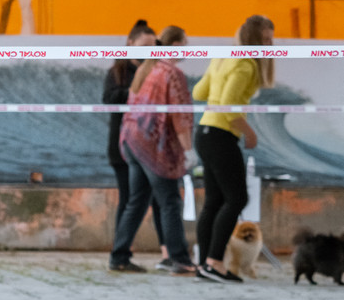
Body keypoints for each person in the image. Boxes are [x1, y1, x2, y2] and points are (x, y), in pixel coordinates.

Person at [193, 15, 275, 283]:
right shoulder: (246, 63)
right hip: (220, 135)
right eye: (266, 40)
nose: (270, 45)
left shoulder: (222, 57)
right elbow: (227, 104)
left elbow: (198, 93)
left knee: (215, 201)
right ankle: (214, 262)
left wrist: (216, 80)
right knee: (237, 198)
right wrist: (249, 131)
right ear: (254, 39)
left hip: (204, 132)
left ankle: (204, 265)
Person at [109, 26, 197, 275]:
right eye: (185, 44)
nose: (187, 50)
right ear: (176, 46)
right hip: (154, 147)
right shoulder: (172, 73)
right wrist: (189, 150)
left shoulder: (146, 69)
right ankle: (179, 259)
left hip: (133, 141)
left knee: (137, 201)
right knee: (169, 201)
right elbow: (180, 117)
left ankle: (119, 256)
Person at [103, 19, 168, 271]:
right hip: (123, 146)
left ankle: (167, 253)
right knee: (130, 200)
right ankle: (120, 254)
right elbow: (109, 99)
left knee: (158, 199)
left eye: (153, 47)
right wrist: (136, 91)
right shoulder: (118, 72)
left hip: (150, 145)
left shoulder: (156, 71)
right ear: (130, 44)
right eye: (144, 46)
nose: (148, 52)